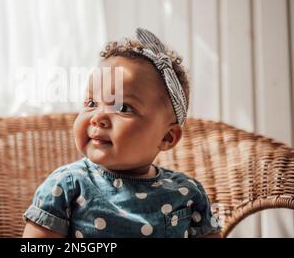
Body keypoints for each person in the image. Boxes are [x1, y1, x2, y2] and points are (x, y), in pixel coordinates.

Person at [22, 28, 221, 238]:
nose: (98, 117)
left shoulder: (187, 192)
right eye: (91, 103)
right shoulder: (67, 186)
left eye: (123, 108)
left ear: (167, 137)